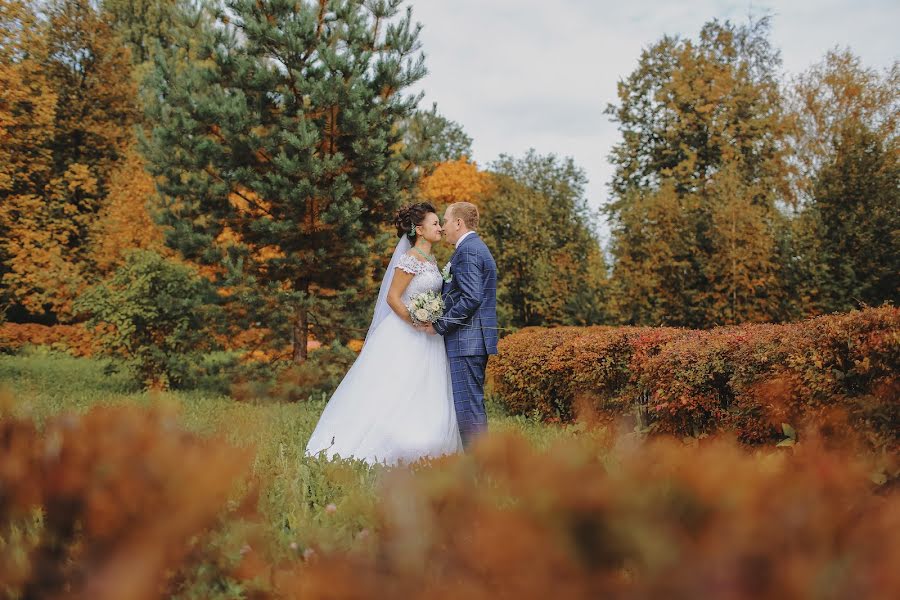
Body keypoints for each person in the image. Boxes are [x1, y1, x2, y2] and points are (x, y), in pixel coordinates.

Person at [305, 202, 462, 464]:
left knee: (424, 389)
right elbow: (392, 297)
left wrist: (431, 318)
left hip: (428, 336)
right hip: (406, 333)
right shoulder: (410, 258)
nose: (439, 228)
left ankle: (425, 447)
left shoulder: (431, 260)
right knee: (395, 386)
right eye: (435, 223)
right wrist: (415, 320)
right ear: (420, 230)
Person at [424, 202, 498, 448]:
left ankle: (481, 471)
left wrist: (439, 325)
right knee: (471, 407)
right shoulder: (473, 248)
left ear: (459, 223)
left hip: (467, 341)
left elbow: (471, 298)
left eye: (445, 220)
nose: (443, 227)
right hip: (472, 340)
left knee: (469, 411)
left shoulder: (468, 251)